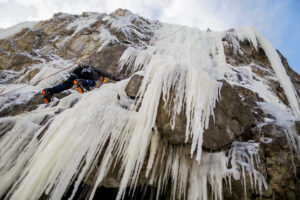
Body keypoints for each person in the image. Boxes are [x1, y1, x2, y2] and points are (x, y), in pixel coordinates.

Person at [42, 65, 120, 104]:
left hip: (76, 73)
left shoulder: (87, 69)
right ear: (102, 77)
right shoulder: (97, 73)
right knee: (93, 83)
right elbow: (108, 74)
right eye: (103, 79)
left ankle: (49, 91)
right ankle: (80, 82)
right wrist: (117, 80)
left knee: (67, 85)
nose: (102, 80)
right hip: (85, 74)